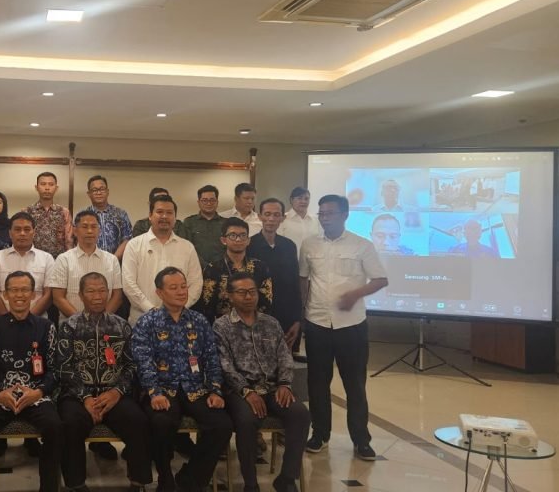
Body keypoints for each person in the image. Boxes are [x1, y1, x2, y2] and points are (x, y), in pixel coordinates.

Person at [301, 195, 388, 460]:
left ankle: (361, 440)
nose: (325, 218)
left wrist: (355, 294)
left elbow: (380, 279)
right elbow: (303, 278)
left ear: (345, 215)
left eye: (330, 213)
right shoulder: (309, 244)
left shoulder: (362, 245)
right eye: (321, 214)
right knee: (317, 383)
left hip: (351, 326)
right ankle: (320, 434)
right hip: (317, 322)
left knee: (355, 385)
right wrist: (302, 311)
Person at [132, 267, 233, 492]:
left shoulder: (199, 321)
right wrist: (154, 392)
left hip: (195, 388)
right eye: (173, 287)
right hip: (162, 389)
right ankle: (165, 478)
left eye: (183, 286)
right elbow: (143, 361)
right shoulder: (147, 322)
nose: (181, 291)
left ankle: (192, 477)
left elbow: (211, 358)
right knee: (161, 422)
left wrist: (215, 390)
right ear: (159, 293)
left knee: (222, 424)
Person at [214, 273, 310, 492]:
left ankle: (287, 478)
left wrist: (285, 384)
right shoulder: (222, 326)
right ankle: (250, 483)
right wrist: (246, 391)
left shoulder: (271, 323)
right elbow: (224, 365)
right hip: (240, 391)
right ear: (230, 296)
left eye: (252, 291)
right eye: (242, 292)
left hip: (273, 387)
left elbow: (284, 356)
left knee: (300, 414)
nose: (248, 297)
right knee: (247, 420)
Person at [56, 272, 150, 492]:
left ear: (108, 293)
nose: (97, 296)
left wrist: (117, 392)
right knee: (69, 423)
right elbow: (63, 367)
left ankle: (138, 482)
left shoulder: (121, 326)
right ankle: (76, 484)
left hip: (114, 393)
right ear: (80, 295)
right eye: (90, 291)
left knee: (138, 420)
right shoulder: (69, 327)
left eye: (101, 291)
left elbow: (131, 366)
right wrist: (86, 398)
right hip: (78, 396)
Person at [0, 271, 63, 492]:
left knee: (55, 427)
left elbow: (55, 370)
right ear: (5, 294)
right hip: (0, 396)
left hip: (36, 396)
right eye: (14, 290)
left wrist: (39, 392)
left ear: (33, 294)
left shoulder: (46, 327)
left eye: (24, 290)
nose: (19, 295)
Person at [122, 195, 202, 325]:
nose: (164, 216)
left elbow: (196, 283)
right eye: (159, 212)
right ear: (150, 215)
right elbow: (128, 284)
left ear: (175, 217)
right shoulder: (134, 245)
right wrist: (152, 310)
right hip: (142, 320)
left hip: (178, 320)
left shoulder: (187, 247)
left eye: (169, 213)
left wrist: (178, 308)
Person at [47, 210, 124, 320]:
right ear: (75, 231)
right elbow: (58, 298)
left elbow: (117, 297)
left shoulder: (112, 260)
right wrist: (82, 322)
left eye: (94, 227)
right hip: (71, 324)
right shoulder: (64, 259)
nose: (89, 231)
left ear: (99, 231)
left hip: (105, 324)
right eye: (84, 227)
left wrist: (101, 321)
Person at [195, 217, 273, 324]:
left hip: (255, 326)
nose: (238, 239)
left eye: (243, 235)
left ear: (248, 240)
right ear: (223, 240)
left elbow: (267, 302)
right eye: (232, 235)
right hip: (222, 327)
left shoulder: (260, 267)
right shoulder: (212, 269)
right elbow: (207, 305)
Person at [248, 198, 303, 350]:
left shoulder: (289, 246)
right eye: (267, 214)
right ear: (259, 216)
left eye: (276, 214)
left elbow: (295, 284)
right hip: (256, 315)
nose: (271, 219)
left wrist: (297, 319)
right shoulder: (249, 245)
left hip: (285, 315)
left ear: (283, 218)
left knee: (284, 359)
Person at [0, 212, 54, 316]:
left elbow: (49, 295)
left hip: (38, 321)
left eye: (27, 229)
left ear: (34, 232)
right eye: (17, 229)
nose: (22, 233)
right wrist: (8, 320)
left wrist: (29, 320)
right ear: (10, 233)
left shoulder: (47, 258)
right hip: (2, 321)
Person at [82, 175, 133, 259]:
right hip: (90, 261)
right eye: (94, 190)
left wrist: (113, 259)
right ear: (89, 194)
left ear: (107, 191)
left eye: (102, 189)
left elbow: (127, 239)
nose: (99, 193)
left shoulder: (120, 214)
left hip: (116, 262)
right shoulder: (83, 216)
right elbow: (79, 240)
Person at [25, 171, 73, 258]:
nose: (47, 188)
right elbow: (24, 238)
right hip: (33, 259)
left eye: (51, 184)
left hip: (58, 260)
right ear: (36, 187)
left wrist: (69, 259)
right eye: (43, 184)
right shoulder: (27, 212)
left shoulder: (64, 212)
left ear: (56, 188)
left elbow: (69, 240)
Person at [183, 184, 225, 267]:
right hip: (195, 267)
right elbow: (186, 247)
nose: (209, 203)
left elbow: (229, 247)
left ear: (217, 202)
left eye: (212, 200)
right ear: (198, 202)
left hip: (222, 268)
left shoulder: (226, 223)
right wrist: (205, 266)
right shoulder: (189, 222)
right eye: (204, 200)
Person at [278, 187, 323, 257]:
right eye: (299, 198)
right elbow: (278, 243)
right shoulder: (283, 220)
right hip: (289, 260)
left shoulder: (316, 220)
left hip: (312, 261)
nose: (303, 201)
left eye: (306, 199)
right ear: (291, 200)